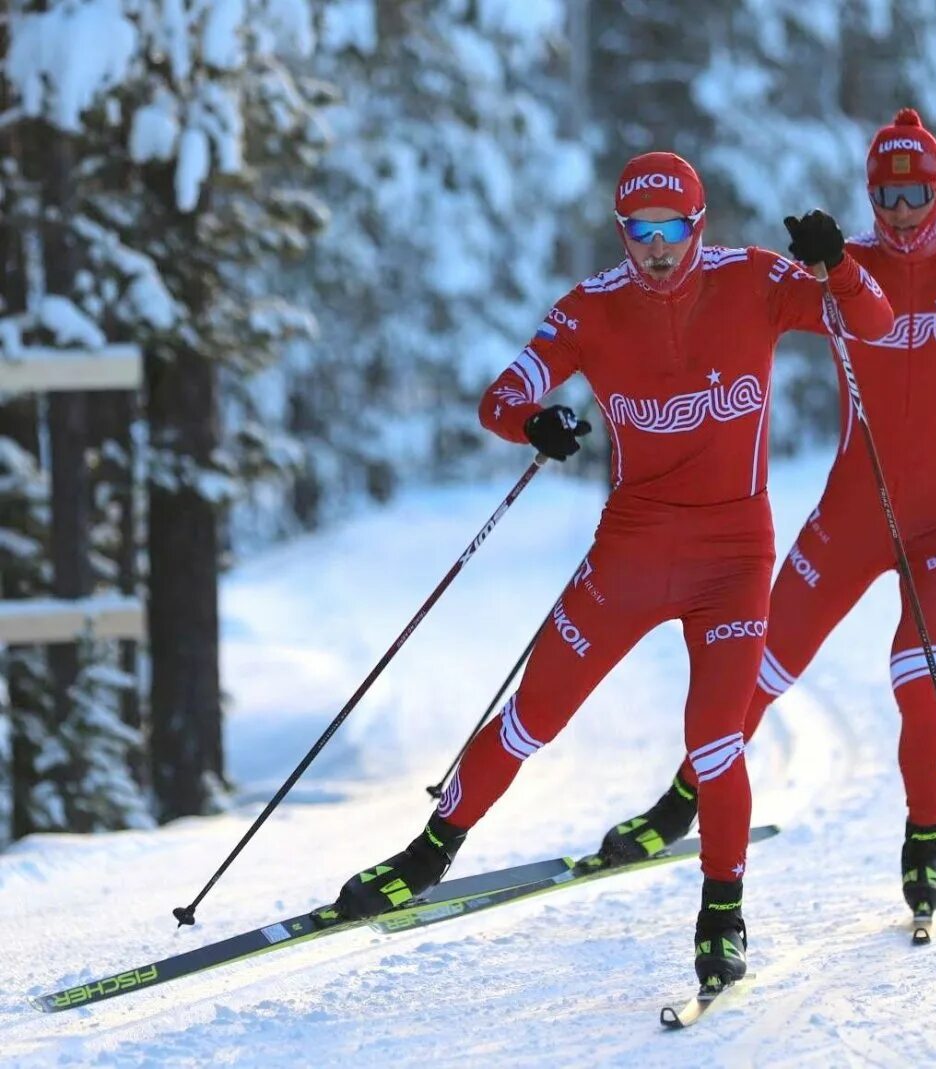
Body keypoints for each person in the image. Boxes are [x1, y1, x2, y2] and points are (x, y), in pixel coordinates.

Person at [332, 150, 894, 988]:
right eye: (641, 231)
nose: (658, 248)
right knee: (532, 715)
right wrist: (534, 422)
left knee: (714, 740)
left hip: (734, 557)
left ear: (698, 225)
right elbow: (499, 396)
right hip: (631, 552)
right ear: (622, 231)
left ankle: (722, 916)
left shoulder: (756, 281)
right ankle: (426, 854)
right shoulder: (592, 308)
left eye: (672, 230)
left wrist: (840, 265)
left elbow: (876, 323)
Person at [598, 109, 936, 923]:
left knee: (917, 680)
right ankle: (681, 801)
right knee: (760, 669)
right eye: (887, 194)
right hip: (851, 516)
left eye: (916, 193)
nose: (902, 210)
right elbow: (730, 300)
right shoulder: (847, 271)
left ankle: (925, 841)